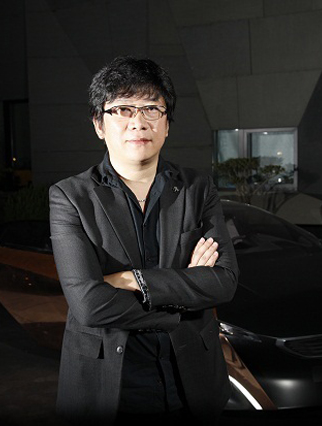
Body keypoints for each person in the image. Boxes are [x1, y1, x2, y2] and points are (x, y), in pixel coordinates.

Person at [49, 56, 239, 425]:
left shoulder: (197, 188)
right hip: (110, 388)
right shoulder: (71, 196)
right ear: (99, 124)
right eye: (122, 109)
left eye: (152, 108)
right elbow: (89, 305)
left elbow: (224, 281)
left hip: (192, 383)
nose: (138, 122)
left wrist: (130, 280)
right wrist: (184, 296)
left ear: (167, 124)